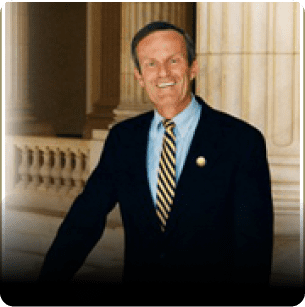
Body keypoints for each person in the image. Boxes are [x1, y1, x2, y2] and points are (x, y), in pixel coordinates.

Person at [38, 21, 273, 287]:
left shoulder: (240, 140)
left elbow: (254, 245)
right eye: (150, 64)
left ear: (192, 67)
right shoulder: (124, 139)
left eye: (174, 60)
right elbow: (84, 219)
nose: (163, 73)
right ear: (138, 76)